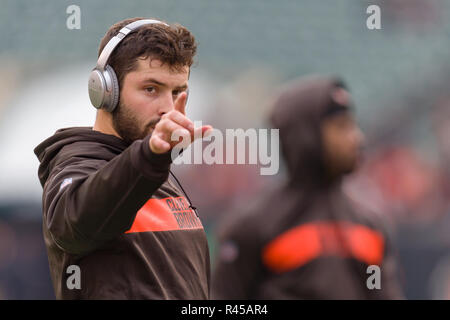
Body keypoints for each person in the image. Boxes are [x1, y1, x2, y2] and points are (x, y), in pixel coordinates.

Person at [34, 17, 212, 299]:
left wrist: (153, 159)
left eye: (178, 92)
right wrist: (151, 157)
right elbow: (76, 221)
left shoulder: (154, 169)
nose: (168, 108)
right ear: (105, 91)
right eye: (151, 89)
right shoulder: (76, 164)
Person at [212, 75, 404, 299]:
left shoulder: (371, 226)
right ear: (306, 135)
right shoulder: (251, 227)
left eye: (353, 125)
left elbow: (377, 291)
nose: (357, 138)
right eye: (341, 127)